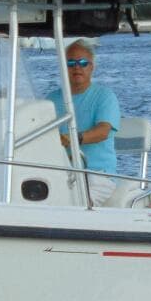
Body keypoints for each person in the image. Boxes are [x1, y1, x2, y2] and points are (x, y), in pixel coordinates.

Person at [51, 36, 120, 204]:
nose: (77, 67)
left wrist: (73, 138)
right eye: (71, 63)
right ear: (63, 67)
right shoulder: (51, 99)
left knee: (75, 205)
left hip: (97, 176)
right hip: (60, 173)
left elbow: (103, 132)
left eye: (83, 63)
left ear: (92, 67)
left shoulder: (105, 96)